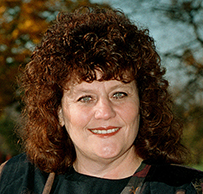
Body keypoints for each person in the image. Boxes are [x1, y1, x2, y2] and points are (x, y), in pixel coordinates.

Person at [0, 6, 202, 194]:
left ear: (142, 103)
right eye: (85, 98)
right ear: (58, 112)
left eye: (119, 94)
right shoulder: (15, 180)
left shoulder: (186, 188)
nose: (105, 112)